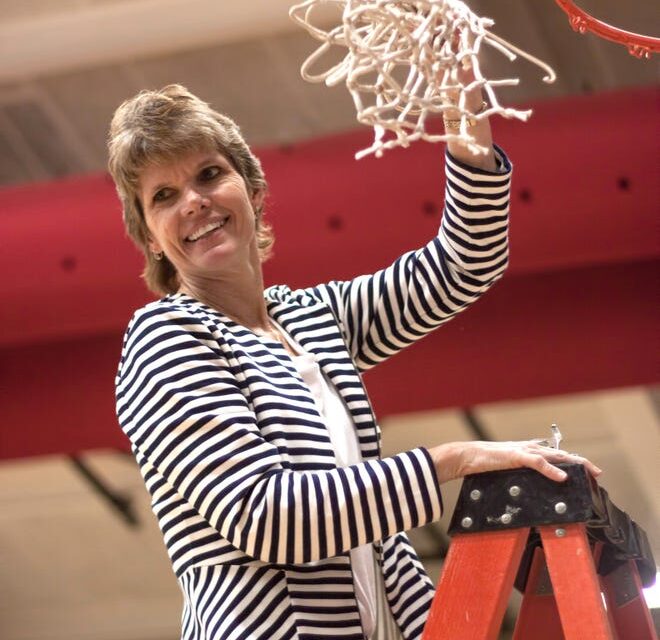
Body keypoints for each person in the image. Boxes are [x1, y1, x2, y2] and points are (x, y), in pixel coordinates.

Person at [109, 82, 600, 640]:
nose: (194, 201)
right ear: (150, 238)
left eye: (208, 175)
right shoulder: (166, 337)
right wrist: (453, 458)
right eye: (164, 196)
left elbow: (465, 263)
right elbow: (269, 518)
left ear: (251, 187)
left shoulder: (311, 317)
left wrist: (460, 94)